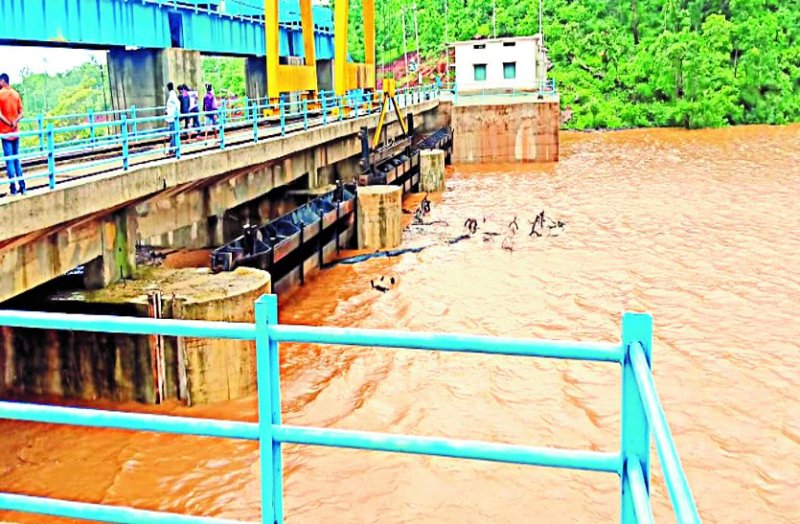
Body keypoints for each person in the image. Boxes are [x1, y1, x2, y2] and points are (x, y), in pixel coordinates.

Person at [0, 73, 25, 195]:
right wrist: (15, 121)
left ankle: (13, 189)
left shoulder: (0, 94)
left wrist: (8, 123)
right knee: (16, 160)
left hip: (5, 133)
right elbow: (22, 113)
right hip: (15, 133)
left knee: (9, 161)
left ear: (3, 81)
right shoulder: (16, 94)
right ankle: (23, 187)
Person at [164, 82, 180, 156]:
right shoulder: (171, 95)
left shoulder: (172, 95)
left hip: (172, 117)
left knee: (173, 134)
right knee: (172, 134)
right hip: (170, 117)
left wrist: (177, 113)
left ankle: (172, 149)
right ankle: (172, 149)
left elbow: (177, 103)